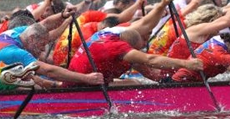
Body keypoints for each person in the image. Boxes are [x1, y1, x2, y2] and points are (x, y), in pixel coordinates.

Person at [67, 28, 204, 86]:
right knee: (135, 84)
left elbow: (151, 73)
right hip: (80, 85)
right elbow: (150, 60)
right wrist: (187, 64)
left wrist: (171, 81)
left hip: (81, 78)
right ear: (128, 45)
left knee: (135, 79)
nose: (136, 52)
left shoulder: (110, 34)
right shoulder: (118, 47)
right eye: (135, 50)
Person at [0, 21, 104, 88]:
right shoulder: (16, 53)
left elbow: (45, 23)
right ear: (32, 38)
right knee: (34, 82)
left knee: (34, 78)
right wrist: (86, 78)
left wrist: (64, 17)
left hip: (4, 74)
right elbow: (49, 71)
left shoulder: (15, 33)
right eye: (42, 44)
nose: (43, 49)